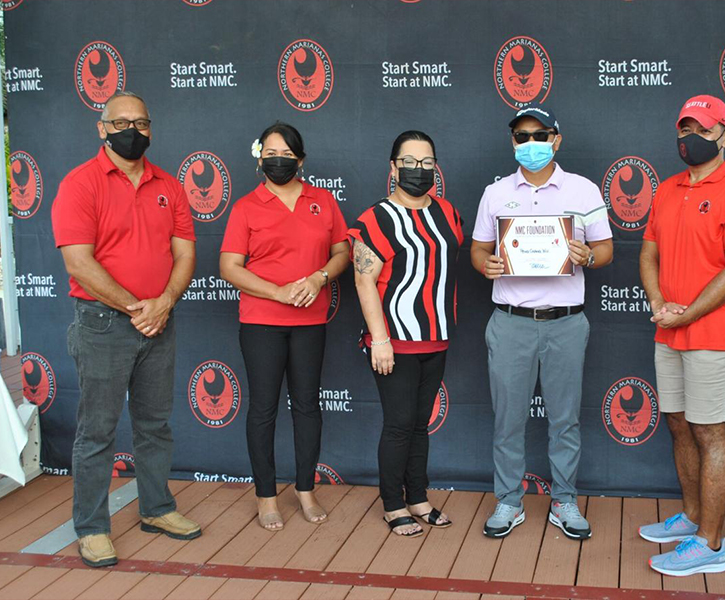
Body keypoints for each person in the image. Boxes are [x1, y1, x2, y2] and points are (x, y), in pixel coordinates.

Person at [52, 91, 200, 568]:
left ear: (151, 128)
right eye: (120, 123)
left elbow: (184, 253)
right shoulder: (80, 184)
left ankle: (156, 508)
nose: (130, 131)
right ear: (102, 128)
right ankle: (93, 527)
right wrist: (138, 307)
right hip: (104, 323)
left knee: (154, 425)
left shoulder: (169, 185)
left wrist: (164, 303)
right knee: (97, 431)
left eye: (139, 122)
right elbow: (78, 262)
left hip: (161, 320)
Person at [638, 95, 725, 576]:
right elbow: (648, 253)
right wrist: (657, 304)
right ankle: (691, 518)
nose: (691, 137)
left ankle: (711, 545)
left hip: (713, 332)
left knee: (711, 432)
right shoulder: (668, 188)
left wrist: (687, 312)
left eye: (703, 129)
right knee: (678, 424)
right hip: (668, 328)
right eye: (685, 128)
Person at [471, 104, 613, 540]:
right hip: (511, 321)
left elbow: (605, 251)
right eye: (521, 136)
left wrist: (587, 256)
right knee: (508, 419)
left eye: (539, 134)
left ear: (557, 140)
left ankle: (564, 500)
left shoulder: (584, 190)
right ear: (512, 142)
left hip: (566, 323)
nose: (530, 143)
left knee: (565, 418)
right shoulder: (496, 193)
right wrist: (486, 266)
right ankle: (509, 501)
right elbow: (479, 250)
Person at [220, 122, 350, 530]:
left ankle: (305, 488)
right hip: (261, 323)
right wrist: (276, 292)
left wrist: (318, 278)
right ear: (260, 159)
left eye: (287, 155)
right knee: (263, 409)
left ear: (301, 160)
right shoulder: (245, 206)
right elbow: (228, 267)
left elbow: (342, 250)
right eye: (271, 154)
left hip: (311, 321)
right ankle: (265, 496)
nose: (279, 161)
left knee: (308, 406)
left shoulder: (323, 201)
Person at [349, 131, 463, 537]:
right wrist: (379, 339)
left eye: (427, 162)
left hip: (436, 337)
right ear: (393, 168)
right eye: (410, 162)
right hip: (393, 340)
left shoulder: (448, 212)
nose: (419, 170)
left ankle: (418, 497)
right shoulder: (374, 218)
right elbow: (365, 283)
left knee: (419, 424)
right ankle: (393, 505)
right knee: (399, 424)